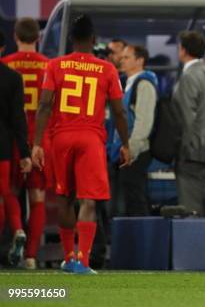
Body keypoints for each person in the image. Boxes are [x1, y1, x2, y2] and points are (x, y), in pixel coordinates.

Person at [31, 15, 130, 274]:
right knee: (89, 201)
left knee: (64, 198)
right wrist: (126, 143)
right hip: (91, 138)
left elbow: (44, 105)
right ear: (94, 40)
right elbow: (119, 112)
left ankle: (68, 257)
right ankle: (83, 261)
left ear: (71, 39)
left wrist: (37, 143)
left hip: (61, 137)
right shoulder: (107, 69)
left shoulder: (55, 65)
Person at [0, 18, 50, 269]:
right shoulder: (49, 66)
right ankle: (31, 256)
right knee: (38, 197)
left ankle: (13, 238)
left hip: (11, 140)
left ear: (15, 37)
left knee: (7, 194)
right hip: (40, 138)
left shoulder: (6, 65)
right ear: (38, 38)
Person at [172, 30, 205, 217]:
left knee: (190, 206)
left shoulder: (189, 76)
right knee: (204, 203)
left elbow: (188, 117)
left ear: (183, 50)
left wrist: (183, 149)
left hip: (192, 150)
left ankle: (192, 245)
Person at [110, 44, 158, 216]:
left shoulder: (144, 84)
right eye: (121, 57)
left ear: (140, 60)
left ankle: (141, 237)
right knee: (129, 198)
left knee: (135, 199)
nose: (121, 61)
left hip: (135, 152)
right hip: (125, 150)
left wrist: (131, 148)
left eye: (127, 57)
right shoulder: (128, 84)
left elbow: (143, 123)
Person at [0, 31, 33, 267]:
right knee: (5, 191)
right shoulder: (13, 78)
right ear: (2, 48)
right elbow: (18, 119)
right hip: (3, 142)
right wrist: (24, 153)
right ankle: (18, 229)